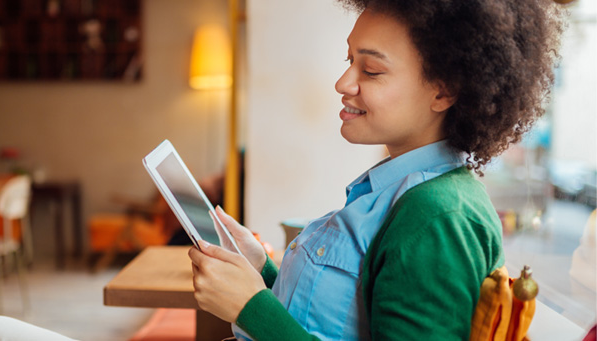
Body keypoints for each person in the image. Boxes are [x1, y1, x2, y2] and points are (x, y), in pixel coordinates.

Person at [188, 0, 564, 340]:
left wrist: (250, 308)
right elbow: (335, 323)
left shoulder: (436, 216)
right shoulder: (399, 188)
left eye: (370, 70)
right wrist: (261, 271)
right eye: (349, 61)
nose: (343, 83)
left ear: (443, 91)